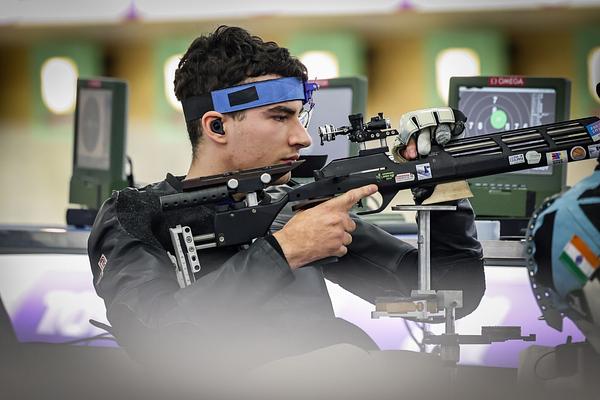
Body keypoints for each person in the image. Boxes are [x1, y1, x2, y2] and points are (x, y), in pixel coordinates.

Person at [87, 26, 485, 390]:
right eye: (280, 117)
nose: (303, 137)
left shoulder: (293, 204)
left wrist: (441, 184)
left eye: (300, 116)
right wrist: (284, 251)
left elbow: (450, 293)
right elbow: (155, 338)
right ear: (216, 126)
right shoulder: (134, 214)